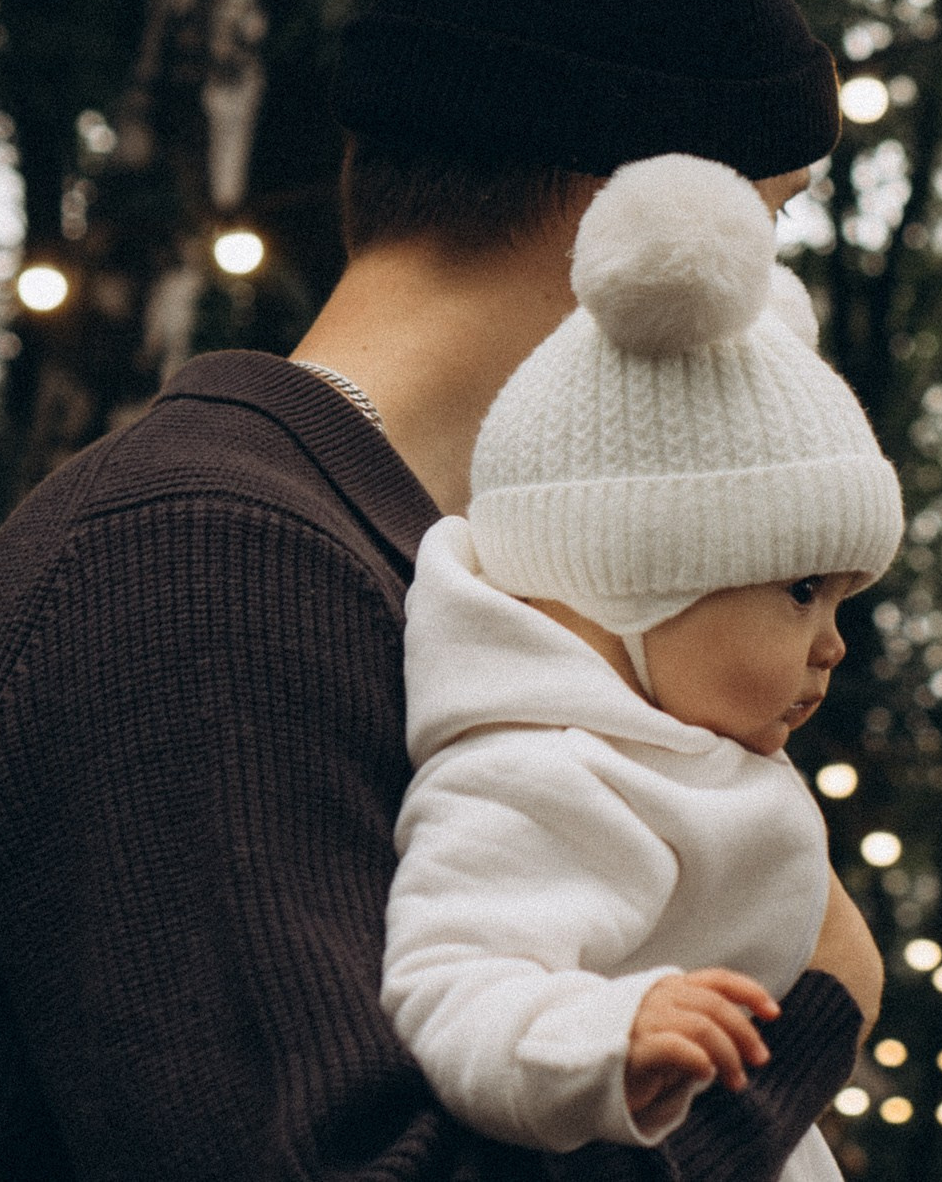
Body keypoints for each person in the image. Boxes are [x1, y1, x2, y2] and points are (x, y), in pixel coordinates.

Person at [0, 0, 885, 1181]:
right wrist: (802, 1017)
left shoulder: (399, 589)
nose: (762, 298)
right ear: (630, 217)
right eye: (761, 219)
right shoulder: (203, 558)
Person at [383, 152, 900, 1177]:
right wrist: (607, 1036)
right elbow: (452, 981)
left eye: (843, 601)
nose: (835, 645)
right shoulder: (542, 770)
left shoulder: (668, 742)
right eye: (801, 591)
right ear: (634, 578)